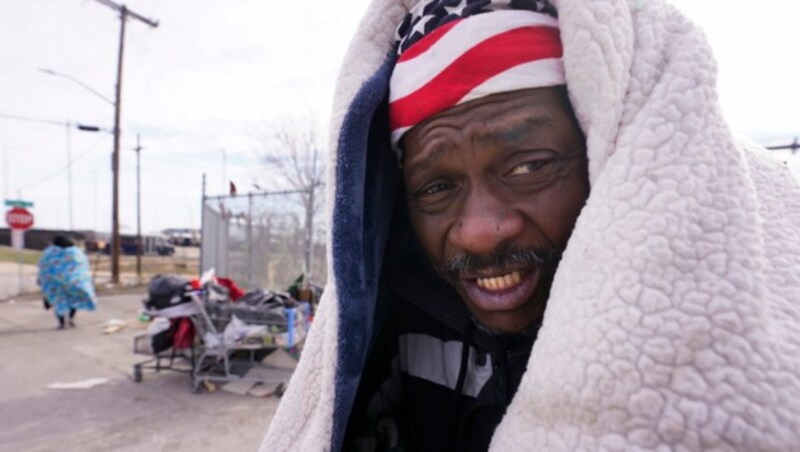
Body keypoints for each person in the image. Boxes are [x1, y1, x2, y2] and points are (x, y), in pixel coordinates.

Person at [262, 0, 800, 450]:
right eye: (437, 187)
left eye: (529, 167)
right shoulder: (397, 330)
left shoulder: (756, 341)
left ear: (603, 148)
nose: (478, 231)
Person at [38, 235, 97, 329]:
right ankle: (71, 318)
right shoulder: (75, 252)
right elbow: (82, 265)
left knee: (59, 302)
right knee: (73, 300)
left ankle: (61, 323)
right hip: (73, 281)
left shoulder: (50, 252)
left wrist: (41, 279)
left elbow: (44, 266)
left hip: (56, 283)